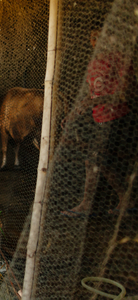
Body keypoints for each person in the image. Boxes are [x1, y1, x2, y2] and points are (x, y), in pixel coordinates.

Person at [61, 29, 136, 217]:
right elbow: (90, 92)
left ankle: (124, 199)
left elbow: (126, 94)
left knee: (97, 159)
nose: (94, 41)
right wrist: (73, 114)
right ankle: (117, 200)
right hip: (99, 119)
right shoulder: (94, 63)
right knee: (93, 159)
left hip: (118, 118)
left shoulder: (120, 59)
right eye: (92, 38)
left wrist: (93, 102)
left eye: (99, 37)